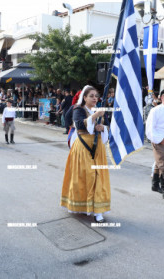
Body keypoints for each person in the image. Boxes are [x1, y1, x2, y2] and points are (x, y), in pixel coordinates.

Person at [61, 85, 110, 223]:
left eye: (96, 96)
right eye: (91, 96)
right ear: (85, 97)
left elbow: (108, 126)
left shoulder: (99, 110)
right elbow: (79, 124)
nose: (95, 98)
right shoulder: (78, 109)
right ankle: (82, 205)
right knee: (86, 177)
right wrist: (95, 117)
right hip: (83, 147)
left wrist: (103, 127)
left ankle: (98, 211)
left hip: (98, 146)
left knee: (98, 177)